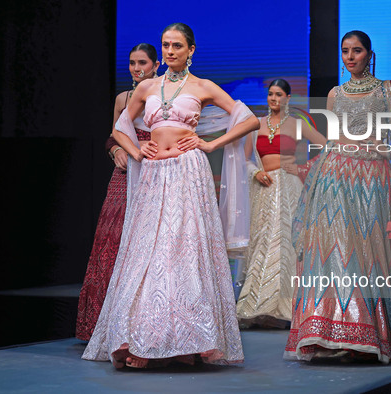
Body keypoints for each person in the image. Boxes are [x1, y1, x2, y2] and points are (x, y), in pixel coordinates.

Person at [82, 23, 259, 368]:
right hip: (153, 173)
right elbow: (120, 127)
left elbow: (248, 119)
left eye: (177, 45)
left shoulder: (202, 86)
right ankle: (142, 340)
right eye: (166, 45)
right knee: (149, 252)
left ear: (191, 50)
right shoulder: (148, 86)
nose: (170, 51)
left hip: (187, 171)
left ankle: (190, 340)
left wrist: (210, 143)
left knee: (183, 250)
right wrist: (136, 150)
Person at [284, 31, 391, 363]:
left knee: (370, 252)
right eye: (345, 51)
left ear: (369, 54)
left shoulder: (386, 88)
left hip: (373, 177)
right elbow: (332, 138)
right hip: (334, 177)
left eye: (356, 51)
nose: (350, 57)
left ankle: (372, 331)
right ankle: (330, 333)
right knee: (335, 250)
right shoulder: (334, 94)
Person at [76, 43, 158, 341]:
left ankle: (142, 322)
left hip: (154, 170)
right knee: (113, 239)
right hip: (124, 174)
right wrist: (115, 153)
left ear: (156, 64)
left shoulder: (161, 95)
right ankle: (102, 324)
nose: (137, 69)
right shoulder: (123, 98)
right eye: (133, 63)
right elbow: (113, 136)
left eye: (143, 63)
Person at [236, 79, 326, 328]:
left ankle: (285, 307)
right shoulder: (255, 126)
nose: (273, 99)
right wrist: (255, 172)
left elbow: (327, 148)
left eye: (279, 95)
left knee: (286, 242)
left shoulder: (297, 125)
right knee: (262, 241)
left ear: (288, 98)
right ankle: (256, 306)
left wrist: (302, 167)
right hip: (263, 188)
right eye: (270, 94)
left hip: (289, 188)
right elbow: (243, 161)